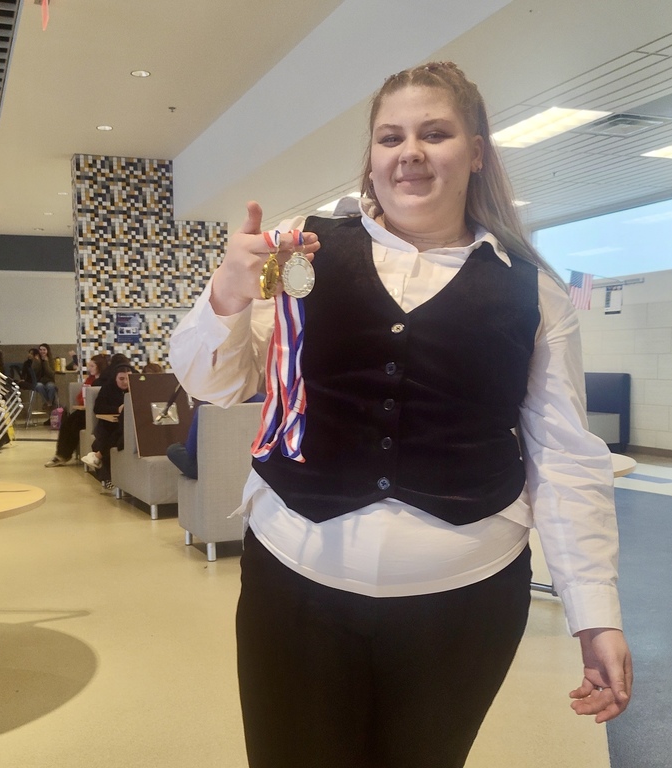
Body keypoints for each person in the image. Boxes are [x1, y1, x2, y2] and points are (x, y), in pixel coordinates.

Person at [169, 61, 632, 768]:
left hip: (464, 603)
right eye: (391, 137)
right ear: (373, 156)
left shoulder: (534, 294)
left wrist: (593, 610)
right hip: (293, 587)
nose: (409, 151)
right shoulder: (303, 253)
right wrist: (227, 293)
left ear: (476, 153)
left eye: (434, 133)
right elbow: (215, 382)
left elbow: (566, 457)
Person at [45, 354, 109, 467]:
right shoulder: (90, 379)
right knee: (67, 422)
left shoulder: (105, 382)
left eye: (92, 366)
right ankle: (61, 455)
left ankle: (64, 455)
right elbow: (80, 397)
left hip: (93, 414)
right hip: (84, 410)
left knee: (74, 425)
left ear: (99, 367)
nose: (90, 368)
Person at [80, 362, 132, 487]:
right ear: (115, 377)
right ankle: (107, 478)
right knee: (106, 440)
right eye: (121, 378)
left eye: (128, 378)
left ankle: (97, 456)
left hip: (124, 427)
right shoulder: (107, 388)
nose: (125, 382)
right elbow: (98, 408)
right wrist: (117, 409)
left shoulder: (136, 389)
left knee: (118, 438)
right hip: (107, 426)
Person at [32, 343, 58, 408]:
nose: (42, 352)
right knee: (39, 386)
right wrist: (38, 362)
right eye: (40, 350)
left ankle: (49, 402)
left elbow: (51, 374)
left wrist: (46, 362)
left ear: (47, 351)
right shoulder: (36, 360)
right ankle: (48, 402)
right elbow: (34, 372)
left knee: (51, 386)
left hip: (49, 380)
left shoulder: (51, 360)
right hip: (39, 380)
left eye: (44, 350)